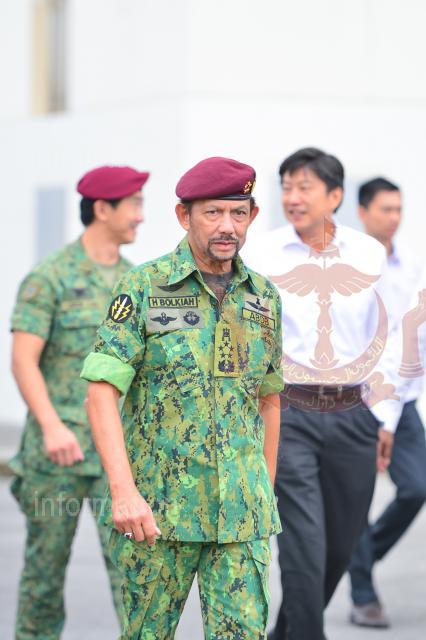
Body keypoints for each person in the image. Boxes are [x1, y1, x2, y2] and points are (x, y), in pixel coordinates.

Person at [80, 156, 284, 639]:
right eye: (213, 212)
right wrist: (123, 492)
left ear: (252, 216)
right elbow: (101, 393)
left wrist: (263, 490)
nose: (227, 226)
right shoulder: (144, 287)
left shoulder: (263, 298)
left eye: (238, 213)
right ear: (183, 216)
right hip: (158, 513)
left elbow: (268, 398)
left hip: (242, 517)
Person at [242, 148, 401, 640]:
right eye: (287, 187)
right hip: (288, 412)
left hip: (354, 413)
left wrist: (385, 415)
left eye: (304, 187)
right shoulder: (261, 254)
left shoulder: (367, 254)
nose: (292, 197)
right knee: (303, 546)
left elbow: (391, 334)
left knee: (340, 547)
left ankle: (285, 633)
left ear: (334, 196)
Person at [10, 165, 149, 639]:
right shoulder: (49, 277)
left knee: (133, 573)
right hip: (58, 455)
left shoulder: (138, 282)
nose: (141, 216)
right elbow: (23, 360)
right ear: (103, 209)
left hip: (118, 456)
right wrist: (52, 426)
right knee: (44, 574)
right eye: (134, 204)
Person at [348, 177, 426, 628]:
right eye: (385, 209)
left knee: (417, 487)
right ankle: (363, 593)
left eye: (399, 209)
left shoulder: (412, 265)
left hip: (403, 398)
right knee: (357, 497)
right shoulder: (347, 266)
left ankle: (356, 556)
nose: (394, 218)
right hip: (357, 400)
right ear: (363, 212)